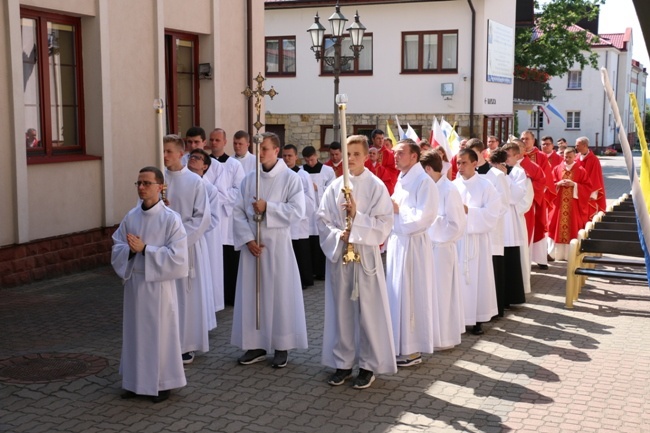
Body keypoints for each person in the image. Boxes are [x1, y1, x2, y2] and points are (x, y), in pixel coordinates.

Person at [317, 134, 396, 389]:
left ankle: (368, 365)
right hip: (341, 255)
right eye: (348, 154)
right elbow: (322, 219)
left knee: (368, 312)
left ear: (366, 156)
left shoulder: (375, 187)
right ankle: (342, 362)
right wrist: (338, 233)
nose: (350, 159)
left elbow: (385, 224)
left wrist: (357, 218)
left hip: (365, 257)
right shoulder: (334, 186)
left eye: (356, 154)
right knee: (342, 311)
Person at [112, 166, 188, 403]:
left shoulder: (170, 219)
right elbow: (117, 246)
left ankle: (162, 382)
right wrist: (130, 252)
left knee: (160, 334)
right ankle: (135, 383)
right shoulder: (131, 216)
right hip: (135, 283)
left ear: (160, 187)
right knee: (135, 333)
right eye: (138, 183)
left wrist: (146, 249)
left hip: (158, 286)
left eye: (146, 183)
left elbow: (178, 257)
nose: (142, 188)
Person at [231, 132, 307, 369]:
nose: (261, 153)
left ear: (276, 151)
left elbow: (298, 211)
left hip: (277, 246)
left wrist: (268, 207)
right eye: (259, 149)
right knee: (253, 294)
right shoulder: (248, 179)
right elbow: (237, 211)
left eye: (265, 149)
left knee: (279, 293)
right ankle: (256, 344)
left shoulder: (290, 178)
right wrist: (247, 239)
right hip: (253, 247)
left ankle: (281, 345)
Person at [386, 139, 439, 367]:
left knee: (412, 295)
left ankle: (412, 350)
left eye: (400, 153)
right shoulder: (403, 179)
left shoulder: (424, 182)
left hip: (414, 245)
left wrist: (398, 210)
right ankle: (399, 345)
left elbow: (425, 217)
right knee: (398, 294)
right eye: (395, 153)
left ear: (414, 156)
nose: (395, 156)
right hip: (399, 243)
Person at [163, 135, 213, 365]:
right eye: (162, 151)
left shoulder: (194, 182)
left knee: (186, 296)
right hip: (161, 249)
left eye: (169, 151)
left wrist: (178, 239)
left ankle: (186, 344)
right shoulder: (157, 179)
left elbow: (202, 218)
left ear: (180, 153)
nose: (164, 156)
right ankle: (165, 340)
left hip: (186, 247)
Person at [420, 150, 466, 350]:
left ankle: (445, 337)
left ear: (428, 169)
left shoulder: (449, 190)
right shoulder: (428, 188)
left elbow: (457, 225)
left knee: (443, 294)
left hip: (442, 249)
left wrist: (429, 222)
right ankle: (430, 335)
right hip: (428, 247)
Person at [453, 149, 501, 335]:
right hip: (457, 240)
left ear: (475, 163)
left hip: (477, 241)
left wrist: (469, 212)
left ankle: (478, 318)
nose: (460, 166)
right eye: (458, 163)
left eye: (464, 162)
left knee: (478, 278)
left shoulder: (486, 186)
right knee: (458, 279)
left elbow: (492, 214)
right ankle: (458, 318)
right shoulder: (453, 185)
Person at [469, 140, 510, 318]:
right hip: (470, 233)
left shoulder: (496, 175)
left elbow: (503, 204)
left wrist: (484, 218)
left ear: (483, 153)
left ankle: (494, 309)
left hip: (491, 231)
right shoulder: (465, 176)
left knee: (492, 271)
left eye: (474, 153)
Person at [209, 128, 246, 306]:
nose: (214, 143)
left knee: (229, 259)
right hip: (209, 217)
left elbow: (240, 190)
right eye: (212, 140)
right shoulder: (204, 163)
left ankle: (230, 296)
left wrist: (218, 198)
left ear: (224, 142)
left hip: (227, 217)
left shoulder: (234, 165)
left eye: (217, 140)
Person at [187, 148, 223, 324]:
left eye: (198, 158)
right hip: (182, 240)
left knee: (202, 280)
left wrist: (196, 231)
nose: (193, 160)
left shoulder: (209, 189)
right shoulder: (180, 184)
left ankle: (203, 320)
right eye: (191, 156)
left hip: (202, 240)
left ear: (205, 166)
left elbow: (214, 218)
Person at [503, 142, 534, 298]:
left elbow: (521, 199)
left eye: (508, 156)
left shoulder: (519, 173)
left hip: (514, 218)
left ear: (517, 156)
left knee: (515, 254)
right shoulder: (498, 171)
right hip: (501, 218)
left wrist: (506, 179)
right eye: (504, 156)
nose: (506, 159)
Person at [548, 147, 592, 260]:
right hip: (559, 205)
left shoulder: (581, 170)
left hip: (573, 206)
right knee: (555, 225)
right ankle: (555, 254)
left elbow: (588, 187)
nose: (567, 159)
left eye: (570, 157)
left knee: (572, 226)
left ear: (574, 157)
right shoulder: (557, 169)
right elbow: (550, 184)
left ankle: (569, 255)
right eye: (565, 157)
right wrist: (558, 183)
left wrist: (575, 185)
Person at [282, 144, 316, 289]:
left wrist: (296, 199)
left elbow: (310, 199)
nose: (287, 158)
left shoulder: (303, 175)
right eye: (284, 156)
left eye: (290, 156)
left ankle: (303, 280)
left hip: (299, 221)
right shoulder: (280, 174)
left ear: (296, 157)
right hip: (284, 219)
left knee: (300, 252)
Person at [520, 130, 554, 270]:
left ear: (533, 141)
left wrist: (532, 192)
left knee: (538, 226)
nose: (524, 141)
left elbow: (545, 178)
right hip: (519, 200)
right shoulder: (515, 156)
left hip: (536, 199)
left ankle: (540, 258)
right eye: (522, 138)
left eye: (527, 139)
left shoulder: (540, 157)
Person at [302, 145, 336, 281]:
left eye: (311, 159)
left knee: (320, 240)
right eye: (307, 160)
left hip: (320, 210)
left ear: (316, 156)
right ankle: (309, 271)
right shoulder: (301, 171)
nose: (310, 163)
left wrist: (317, 188)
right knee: (307, 242)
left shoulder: (327, 171)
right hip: (306, 213)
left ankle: (321, 271)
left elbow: (332, 189)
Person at [575, 136, 607, 219]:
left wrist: (588, 191)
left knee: (588, 213)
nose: (576, 147)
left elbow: (595, 177)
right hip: (577, 189)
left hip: (588, 191)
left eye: (577, 145)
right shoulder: (576, 158)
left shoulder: (594, 160)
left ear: (584, 145)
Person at [373, 129, 399, 195]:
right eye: (378, 138)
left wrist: (379, 169)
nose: (381, 140)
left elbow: (393, 170)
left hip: (383, 183)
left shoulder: (389, 154)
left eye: (382, 138)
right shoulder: (368, 152)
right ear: (373, 139)